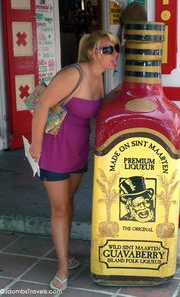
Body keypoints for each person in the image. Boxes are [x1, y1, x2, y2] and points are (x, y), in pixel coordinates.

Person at [29, 30, 120, 292]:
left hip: (78, 151)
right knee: (59, 209)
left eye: (115, 49)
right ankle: (61, 268)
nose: (114, 54)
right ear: (92, 53)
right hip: (54, 150)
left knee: (68, 203)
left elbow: (99, 108)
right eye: (107, 50)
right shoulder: (75, 74)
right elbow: (43, 105)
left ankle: (65, 252)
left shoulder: (100, 78)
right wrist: (36, 146)